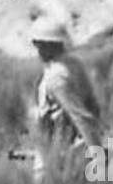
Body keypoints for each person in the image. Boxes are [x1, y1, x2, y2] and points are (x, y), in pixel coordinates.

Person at [30, 16, 103, 158]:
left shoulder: (57, 76)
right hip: (74, 143)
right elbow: (91, 105)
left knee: (47, 178)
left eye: (38, 44)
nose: (37, 50)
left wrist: (97, 153)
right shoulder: (74, 64)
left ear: (48, 45)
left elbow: (80, 115)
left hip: (60, 147)